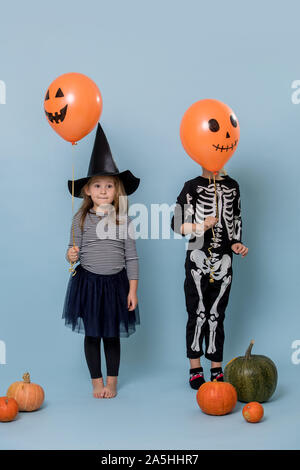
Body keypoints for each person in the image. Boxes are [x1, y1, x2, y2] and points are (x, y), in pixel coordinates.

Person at [62, 123, 140, 399]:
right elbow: (73, 252)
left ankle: (113, 382)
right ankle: (97, 382)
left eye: (109, 185)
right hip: (89, 284)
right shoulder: (80, 219)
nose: (104, 190)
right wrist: (71, 255)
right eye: (97, 185)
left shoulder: (123, 220)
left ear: (117, 190)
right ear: (87, 191)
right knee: (92, 334)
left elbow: (131, 256)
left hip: (116, 284)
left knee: (112, 335)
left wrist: (132, 290)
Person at [171, 166, 248, 389]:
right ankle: (195, 368)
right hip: (197, 255)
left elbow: (235, 220)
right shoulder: (191, 186)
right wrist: (199, 225)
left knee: (217, 314)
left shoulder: (233, 186)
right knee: (196, 312)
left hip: (224, 259)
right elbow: (176, 224)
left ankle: (216, 367)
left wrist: (236, 244)